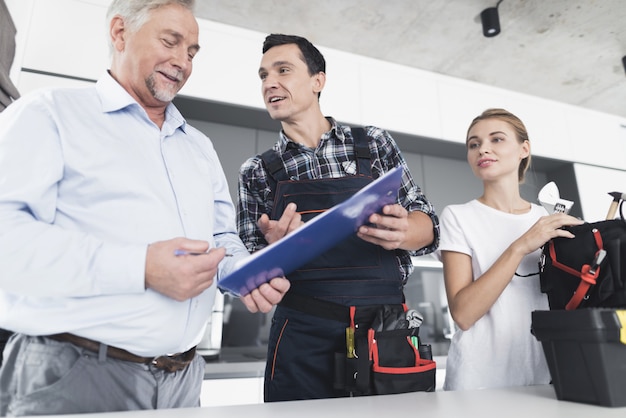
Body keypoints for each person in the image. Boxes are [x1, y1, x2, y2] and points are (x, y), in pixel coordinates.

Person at [0, 1, 289, 415]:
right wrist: (141, 267)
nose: (182, 62)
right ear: (120, 33)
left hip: (183, 382)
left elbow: (222, 237)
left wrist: (245, 274)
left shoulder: (199, 147)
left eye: (191, 52)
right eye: (170, 41)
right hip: (76, 374)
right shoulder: (50, 113)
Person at [237, 33, 440, 402]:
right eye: (263, 75)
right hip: (302, 333)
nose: (269, 82)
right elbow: (250, 272)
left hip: (385, 327)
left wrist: (405, 231)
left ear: (318, 81)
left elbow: (428, 225)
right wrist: (273, 254)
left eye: (283, 70)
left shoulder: (374, 143)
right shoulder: (257, 171)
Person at [437, 108, 584, 391]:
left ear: (523, 149)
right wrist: (520, 246)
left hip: (547, 377)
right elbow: (464, 314)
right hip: (478, 383)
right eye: (474, 144)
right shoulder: (457, 216)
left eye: (497, 139)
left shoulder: (549, 220)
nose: (483, 149)